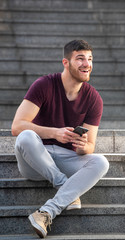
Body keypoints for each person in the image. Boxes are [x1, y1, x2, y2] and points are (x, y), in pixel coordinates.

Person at [11, 39, 109, 238]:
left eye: (90, 59)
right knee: (26, 136)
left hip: (66, 158)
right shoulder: (44, 85)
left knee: (101, 162)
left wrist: (82, 148)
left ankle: (46, 212)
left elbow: (90, 146)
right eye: (80, 58)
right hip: (36, 158)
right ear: (66, 62)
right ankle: (65, 186)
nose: (86, 64)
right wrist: (54, 133)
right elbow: (17, 126)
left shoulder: (93, 98)